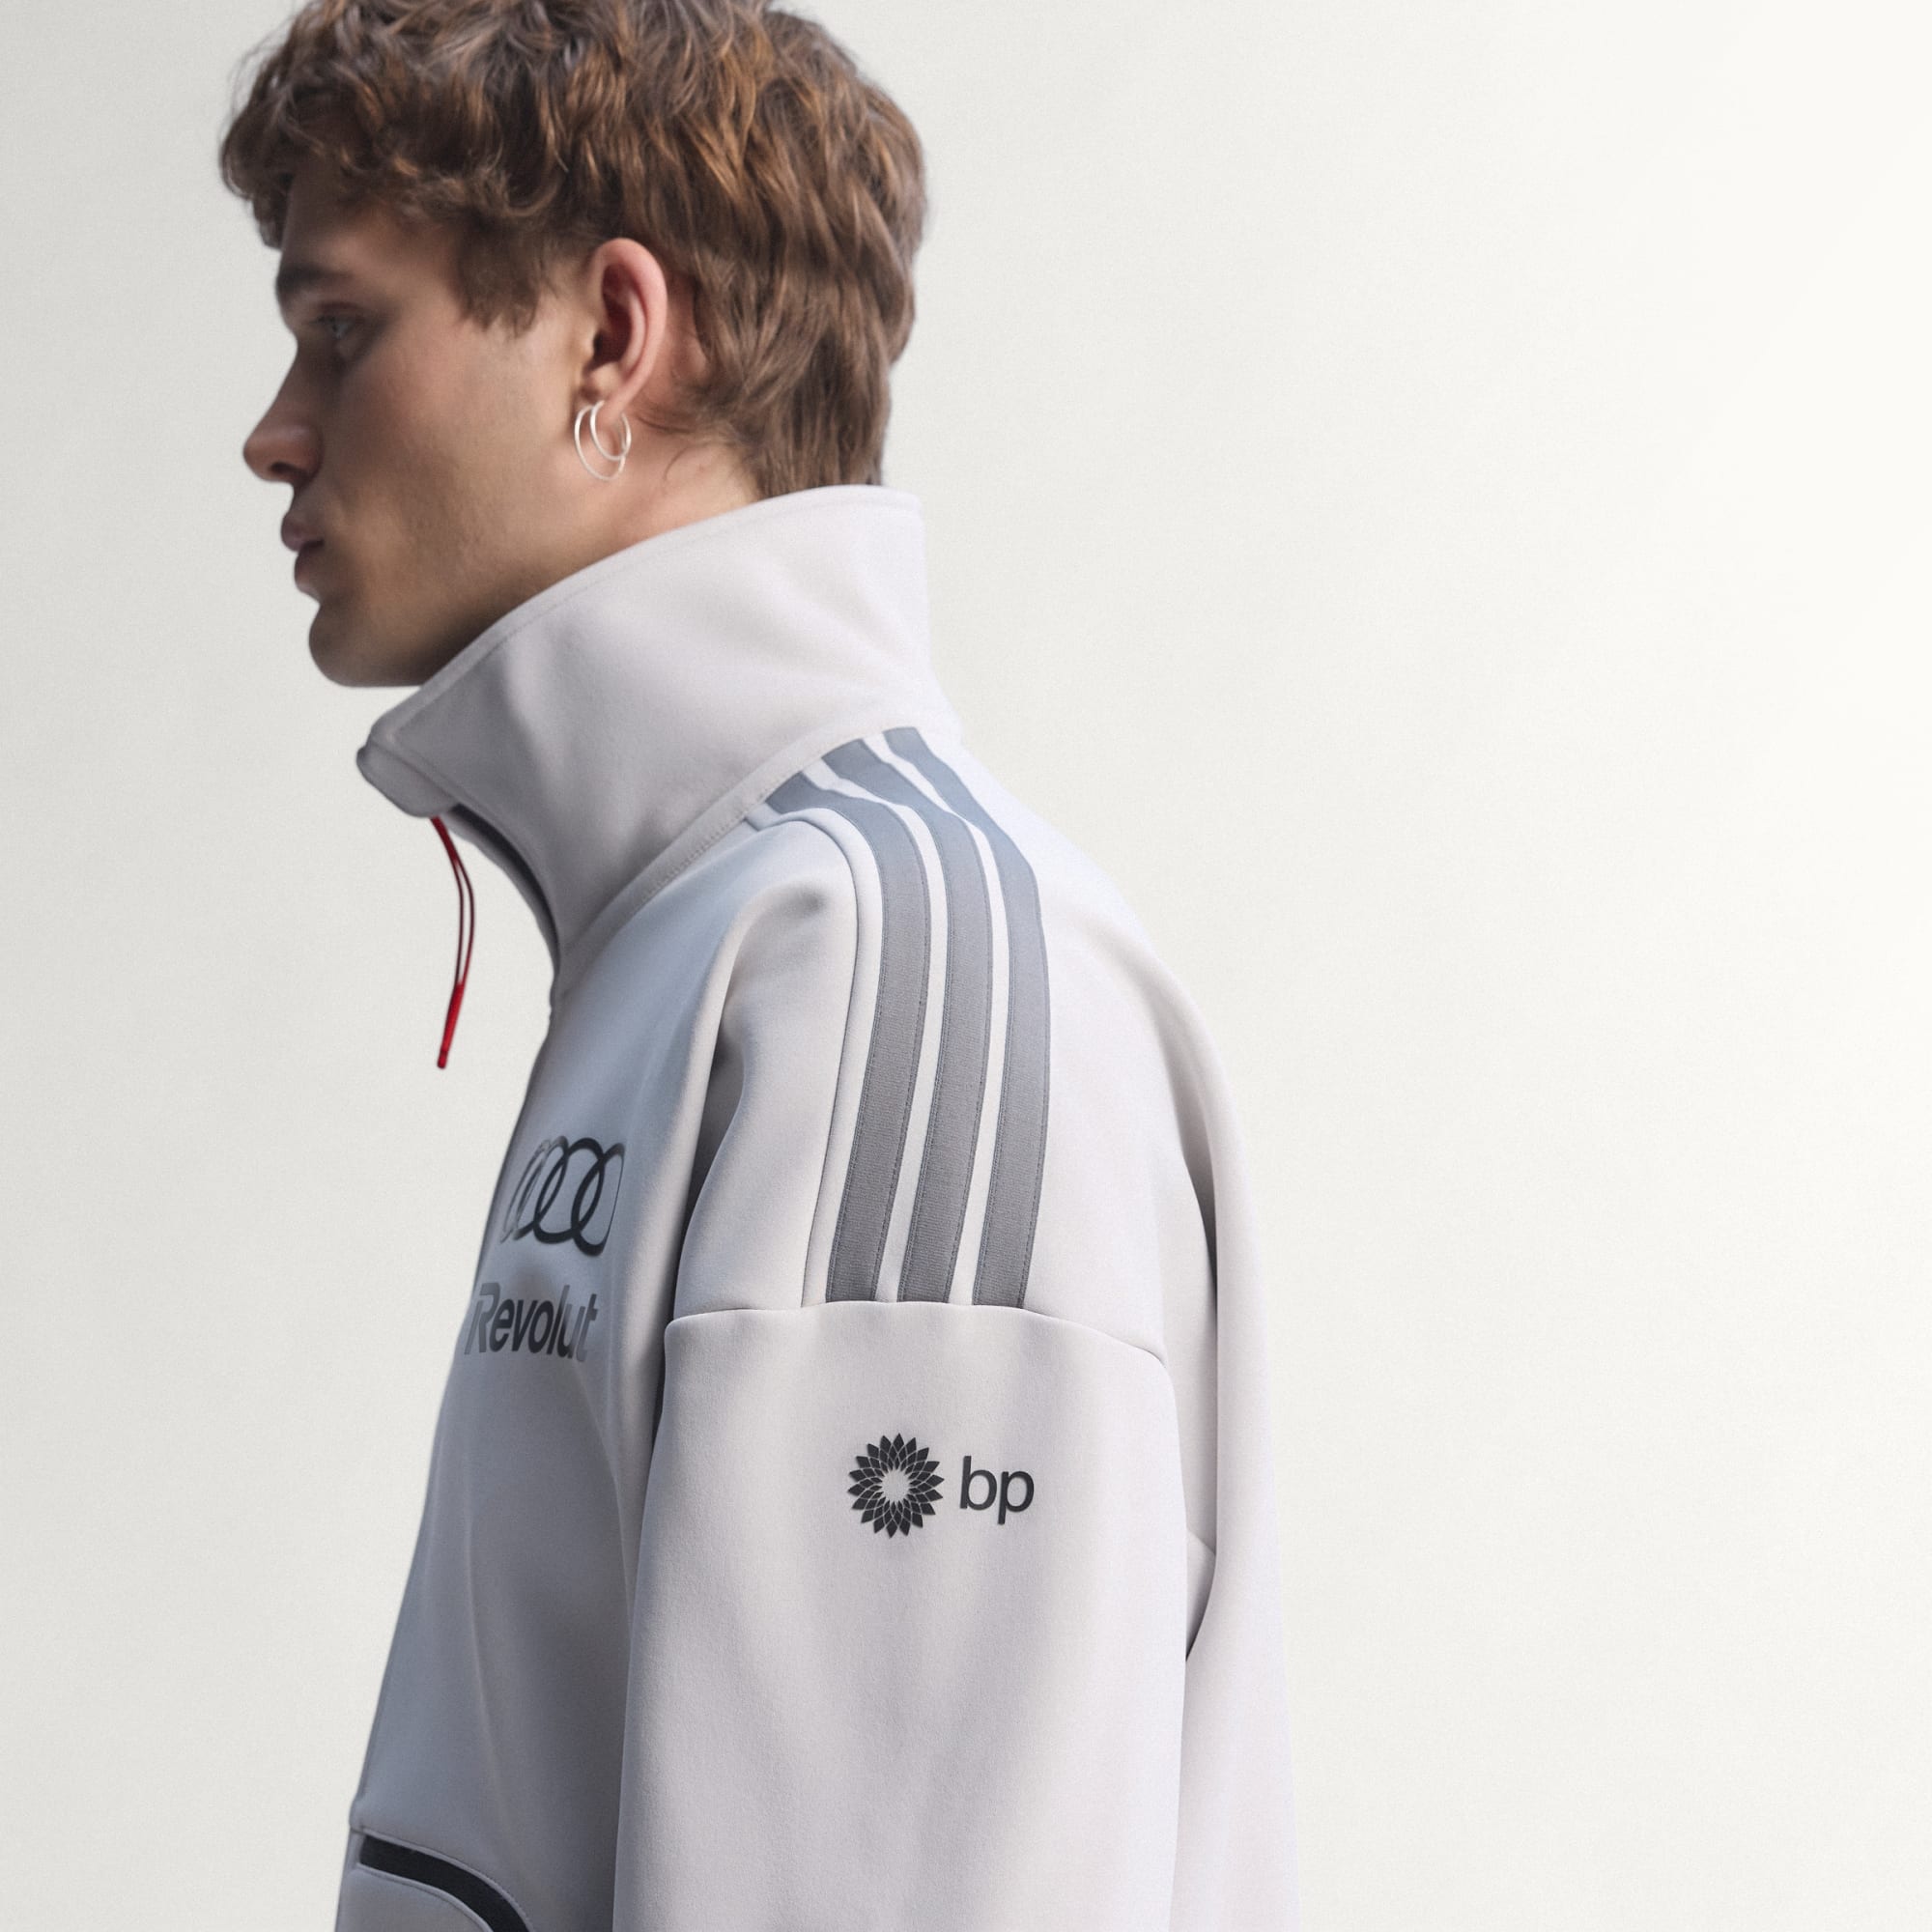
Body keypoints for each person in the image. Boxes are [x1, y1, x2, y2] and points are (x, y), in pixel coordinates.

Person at [226, 2, 1299, 1925]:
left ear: (612, 339)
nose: (273, 433)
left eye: (343, 331)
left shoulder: (884, 973)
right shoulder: (701, 939)